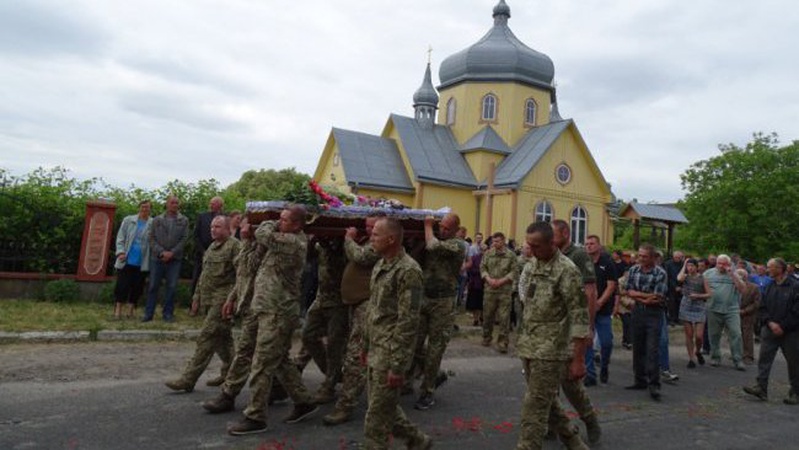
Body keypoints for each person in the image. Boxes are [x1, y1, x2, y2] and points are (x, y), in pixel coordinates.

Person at [227, 205, 318, 436]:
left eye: (285, 220)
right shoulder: (281, 239)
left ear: (298, 225)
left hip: (278, 312)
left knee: (262, 363)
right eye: (279, 218)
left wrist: (267, 222)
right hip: (266, 308)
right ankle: (304, 401)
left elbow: (262, 233)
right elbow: (254, 259)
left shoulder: (293, 243)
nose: (279, 222)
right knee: (279, 360)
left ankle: (256, 416)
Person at [516, 221, 590, 450]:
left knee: (534, 406)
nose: (531, 249)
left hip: (552, 349)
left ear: (552, 243)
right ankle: (574, 441)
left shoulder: (566, 270)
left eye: (536, 245)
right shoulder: (531, 266)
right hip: (529, 344)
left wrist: (578, 359)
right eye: (528, 244)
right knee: (546, 401)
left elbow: (579, 315)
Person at [362, 217, 432, 449]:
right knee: (382, 405)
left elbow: (408, 322)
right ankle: (417, 440)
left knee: (376, 418)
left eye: (376, 234)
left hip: (391, 352)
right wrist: (365, 345)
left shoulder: (409, 271)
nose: (371, 237)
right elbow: (374, 310)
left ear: (391, 239)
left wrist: (398, 365)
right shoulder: (381, 264)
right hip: (376, 347)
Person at [202, 217, 270, 414]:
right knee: (247, 351)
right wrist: (231, 299)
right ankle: (228, 395)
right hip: (251, 306)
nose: (241, 228)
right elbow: (242, 276)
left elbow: (249, 268)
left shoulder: (264, 246)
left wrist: (251, 236)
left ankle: (235, 397)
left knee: (265, 356)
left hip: (268, 308)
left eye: (245, 225)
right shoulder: (247, 246)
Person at [165, 215, 240, 392]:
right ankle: (230, 371)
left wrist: (233, 299)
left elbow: (242, 276)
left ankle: (188, 379)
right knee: (222, 339)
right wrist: (196, 297)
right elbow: (203, 276)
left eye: (218, 227)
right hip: (208, 298)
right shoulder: (212, 247)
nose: (214, 229)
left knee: (206, 337)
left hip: (222, 300)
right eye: (212, 227)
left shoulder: (235, 247)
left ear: (228, 229)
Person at [323, 214, 383, 426]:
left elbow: (360, 257)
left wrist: (348, 238)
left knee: (356, 357)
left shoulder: (378, 245)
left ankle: (346, 405)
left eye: (373, 228)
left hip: (367, 306)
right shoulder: (368, 241)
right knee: (355, 352)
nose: (369, 231)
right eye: (367, 226)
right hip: (355, 304)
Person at [549, 220, 600, 444]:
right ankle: (553, 423)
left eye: (553, 234)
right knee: (546, 380)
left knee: (569, 381)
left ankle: (590, 420)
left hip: (573, 325)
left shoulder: (578, 255)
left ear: (565, 233)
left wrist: (588, 328)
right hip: (552, 327)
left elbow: (590, 292)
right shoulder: (550, 253)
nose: (549, 239)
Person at [412, 214, 465, 410]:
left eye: (446, 229)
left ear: (455, 230)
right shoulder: (432, 240)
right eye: (440, 227)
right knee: (414, 344)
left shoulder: (458, 245)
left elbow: (433, 245)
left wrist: (427, 225)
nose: (442, 231)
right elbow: (418, 256)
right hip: (425, 298)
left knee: (435, 349)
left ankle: (427, 392)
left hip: (443, 302)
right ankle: (436, 374)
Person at [743, 258, 799, 405]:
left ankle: (796, 393)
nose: (768, 270)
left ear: (780, 268)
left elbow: (796, 311)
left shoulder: (795, 286)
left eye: (770, 267)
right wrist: (770, 323)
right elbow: (762, 307)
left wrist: (782, 326)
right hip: (769, 329)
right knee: (764, 359)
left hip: (791, 332)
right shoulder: (769, 286)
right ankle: (761, 388)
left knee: (794, 363)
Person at [300, 236, 348, 404]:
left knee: (335, 345)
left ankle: (329, 385)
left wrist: (332, 244)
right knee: (308, 335)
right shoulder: (321, 244)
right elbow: (307, 258)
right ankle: (332, 373)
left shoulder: (347, 246)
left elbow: (340, 266)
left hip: (339, 302)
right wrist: (313, 241)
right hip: (321, 299)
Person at [625, 243, 668, 401]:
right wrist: (644, 296)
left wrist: (638, 295)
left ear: (652, 257)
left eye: (644, 256)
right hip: (637, 312)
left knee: (652, 349)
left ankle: (654, 384)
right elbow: (628, 291)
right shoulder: (633, 270)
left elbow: (657, 298)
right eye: (639, 255)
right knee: (638, 347)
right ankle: (639, 380)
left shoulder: (660, 273)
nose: (640, 259)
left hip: (654, 314)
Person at [142, 195, 189, 323]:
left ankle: (168, 314)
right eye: (172, 202)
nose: (175, 205)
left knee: (172, 287)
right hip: (157, 258)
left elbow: (184, 239)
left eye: (177, 203)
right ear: (167, 204)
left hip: (175, 259)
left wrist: (172, 253)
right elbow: (151, 238)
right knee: (153, 286)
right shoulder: (157, 220)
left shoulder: (183, 220)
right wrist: (162, 252)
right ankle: (148, 314)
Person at [583, 235, 617, 385]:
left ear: (599, 245)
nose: (589, 246)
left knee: (606, 342)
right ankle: (590, 374)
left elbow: (612, 285)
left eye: (592, 243)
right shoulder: (583, 262)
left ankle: (604, 366)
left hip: (603, 309)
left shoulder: (607, 263)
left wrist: (599, 302)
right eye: (587, 244)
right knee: (587, 340)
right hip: (586, 308)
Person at [704, 254, 747, 370]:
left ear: (729, 264)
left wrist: (733, 274)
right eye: (719, 263)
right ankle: (715, 357)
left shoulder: (735, 274)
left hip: (731, 310)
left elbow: (743, 290)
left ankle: (737, 359)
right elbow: (701, 288)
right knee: (714, 335)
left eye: (724, 264)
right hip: (713, 308)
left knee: (736, 334)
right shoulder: (708, 274)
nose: (721, 266)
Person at [113, 200, 152, 320]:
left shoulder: (153, 223)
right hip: (126, 258)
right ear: (139, 207)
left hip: (142, 260)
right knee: (122, 285)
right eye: (143, 207)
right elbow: (120, 237)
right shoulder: (128, 220)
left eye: (147, 207)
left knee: (137, 286)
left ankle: (130, 310)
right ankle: (118, 309)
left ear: (150, 209)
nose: (145, 209)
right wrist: (120, 251)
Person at [479, 231, 518, 353]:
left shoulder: (511, 255)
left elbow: (514, 271)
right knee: (487, 316)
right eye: (493, 241)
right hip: (490, 290)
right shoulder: (488, 254)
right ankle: (486, 337)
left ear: (503, 241)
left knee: (504, 318)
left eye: (497, 241)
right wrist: (488, 279)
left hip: (504, 291)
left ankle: (503, 342)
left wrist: (502, 280)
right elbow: (482, 267)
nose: (495, 243)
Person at [677, 258, 711, 368]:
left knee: (699, 336)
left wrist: (698, 296)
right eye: (688, 266)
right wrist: (684, 265)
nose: (690, 268)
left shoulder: (702, 278)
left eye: (692, 266)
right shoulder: (685, 277)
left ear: (697, 267)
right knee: (689, 334)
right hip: (686, 305)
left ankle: (698, 351)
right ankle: (691, 358)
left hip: (699, 306)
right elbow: (679, 278)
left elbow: (709, 294)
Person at [191, 196, 224, 297]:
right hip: (202, 253)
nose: (210, 205)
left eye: (213, 203)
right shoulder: (202, 216)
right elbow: (196, 235)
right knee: (197, 277)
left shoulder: (225, 218)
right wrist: (203, 251)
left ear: (220, 205)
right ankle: (193, 302)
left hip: (220, 253)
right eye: (210, 203)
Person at [738, 268, 761, 365]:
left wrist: (744, 311)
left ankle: (748, 356)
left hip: (748, 315)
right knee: (736, 335)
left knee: (747, 336)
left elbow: (756, 303)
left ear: (745, 276)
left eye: (740, 275)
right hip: (734, 313)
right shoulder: (733, 286)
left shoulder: (754, 287)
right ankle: (737, 353)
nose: (738, 276)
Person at [614, 269, 634, 350]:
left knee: (630, 324)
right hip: (622, 307)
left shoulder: (633, 280)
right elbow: (619, 294)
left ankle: (627, 340)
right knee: (627, 323)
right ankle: (628, 341)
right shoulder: (620, 281)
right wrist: (627, 303)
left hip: (632, 305)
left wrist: (633, 303)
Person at [465, 247, 485, 326]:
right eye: (482, 249)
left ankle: (482, 317)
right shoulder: (474, 258)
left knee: (483, 303)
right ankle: (475, 319)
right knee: (474, 303)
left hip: (485, 284)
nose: (484, 251)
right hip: (475, 283)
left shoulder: (489, 258)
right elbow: (470, 269)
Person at [665, 251, 685, 325]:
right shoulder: (668, 264)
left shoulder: (683, 264)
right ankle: (671, 319)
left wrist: (681, 287)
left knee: (679, 303)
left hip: (681, 287)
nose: (678, 259)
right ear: (673, 257)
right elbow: (668, 276)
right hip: (671, 287)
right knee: (671, 303)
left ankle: (677, 318)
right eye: (676, 257)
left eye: (679, 257)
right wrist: (675, 286)